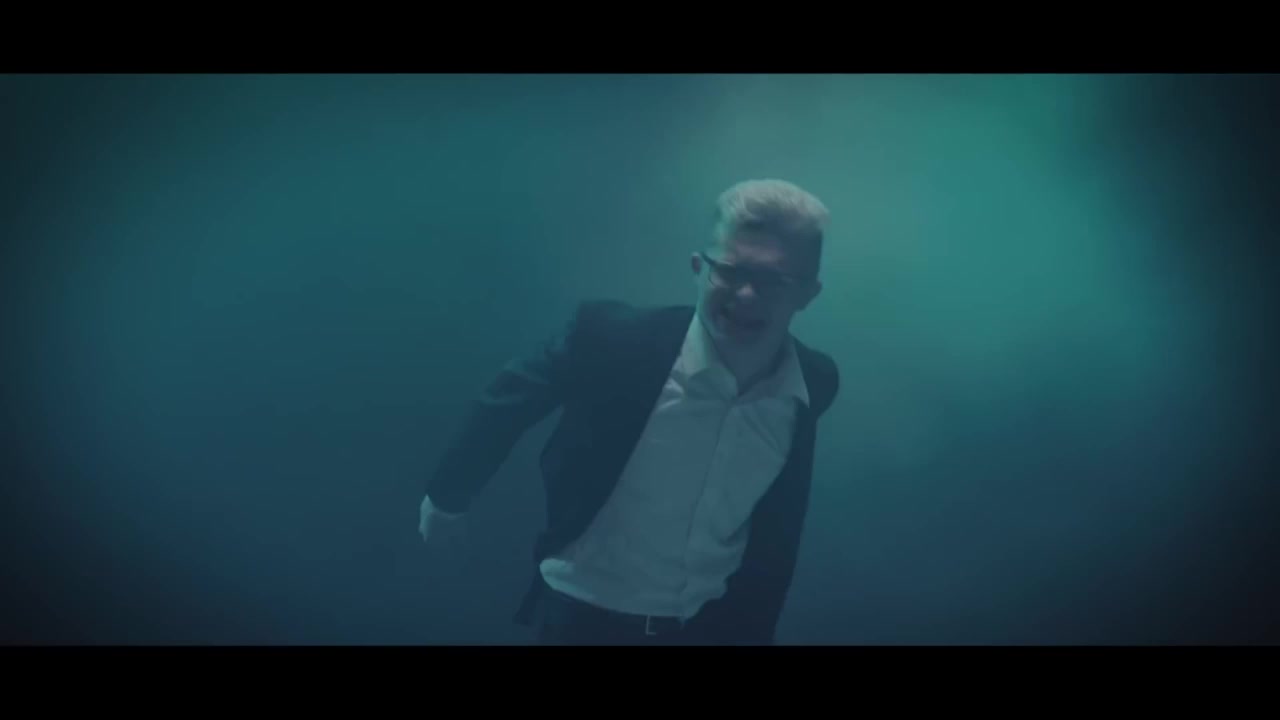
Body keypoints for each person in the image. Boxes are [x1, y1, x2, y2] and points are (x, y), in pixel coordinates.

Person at [418, 179, 841, 645]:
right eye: (731, 270)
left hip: (711, 629)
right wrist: (448, 497)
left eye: (774, 280)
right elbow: (508, 399)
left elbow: (777, 530)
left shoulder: (814, 382)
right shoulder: (615, 340)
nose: (745, 294)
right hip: (581, 622)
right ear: (698, 268)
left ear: (808, 293)